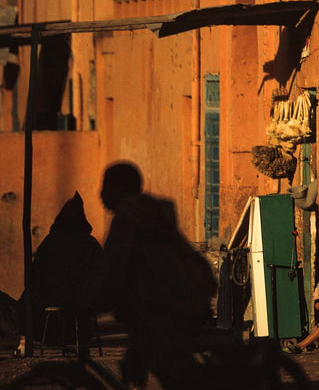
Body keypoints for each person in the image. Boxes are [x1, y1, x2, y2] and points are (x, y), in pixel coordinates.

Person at [94, 161, 217, 390]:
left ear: (120, 188)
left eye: (106, 186)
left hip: (169, 309)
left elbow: (114, 269)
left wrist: (87, 301)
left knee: (170, 370)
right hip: (173, 302)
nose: (101, 194)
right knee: (137, 363)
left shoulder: (130, 218)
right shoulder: (148, 213)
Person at [17, 191, 102, 354]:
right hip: (82, 298)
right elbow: (102, 270)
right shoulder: (89, 243)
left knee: (27, 299)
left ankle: (24, 342)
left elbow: (35, 273)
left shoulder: (51, 242)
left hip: (52, 296)